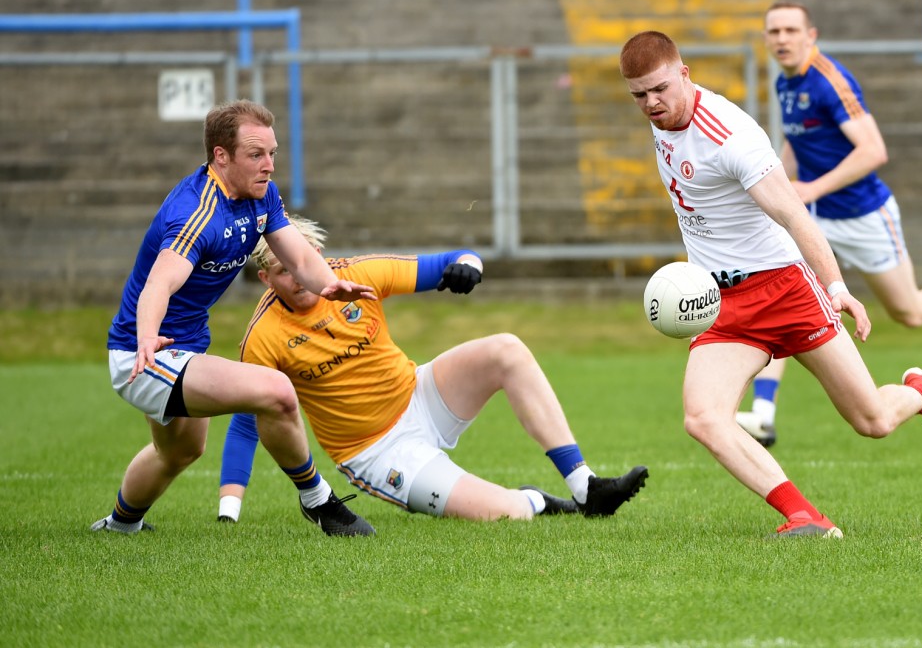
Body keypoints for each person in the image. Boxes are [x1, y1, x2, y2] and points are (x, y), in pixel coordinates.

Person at [620, 30, 922, 539]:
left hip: (784, 289)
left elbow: (793, 215)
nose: (651, 103)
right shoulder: (664, 119)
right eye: (639, 95)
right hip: (721, 304)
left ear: (684, 74)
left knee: (872, 420)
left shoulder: (730, 135)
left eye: (660, 89)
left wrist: (836, 286)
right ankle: (805, 516)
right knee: (704, 418)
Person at [215, 215, 648, 523]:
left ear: (318, 254)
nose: (297, 276)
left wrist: (468, 268)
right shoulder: (263, 335)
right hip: (378, 451)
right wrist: (228, 510)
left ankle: (586, 487)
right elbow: (248, 422)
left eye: (303, 262)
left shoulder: (359, 274)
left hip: (419, 393)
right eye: (283, 271)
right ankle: (536, 500)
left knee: (507, 349)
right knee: (509, 514)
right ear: (265, 279)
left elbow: (457, 258)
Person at [739, 0, 922, 447]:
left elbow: (873, 151)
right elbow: (795, 145)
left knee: (911, 311)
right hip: (816, 219)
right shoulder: (785, 82)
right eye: (774, 31)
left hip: (865, 214)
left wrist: (811, 189)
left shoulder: (831, 81)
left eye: (791, 30)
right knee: (787, 297)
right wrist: (777, 187)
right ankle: (763, 415)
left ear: (811, 36)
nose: (782, 39)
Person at [93, 100, 376, 537]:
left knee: (180, 452)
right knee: (276, 391)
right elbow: (158, 285)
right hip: (145, 354)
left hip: (184, 344)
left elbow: (299, 256)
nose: (269, 165)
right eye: (255, 154)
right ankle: (319, 501)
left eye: (272, 153)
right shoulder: (198, 213)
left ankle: (120, 526)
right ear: (221, 156)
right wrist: (147, 337)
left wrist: (328, 285)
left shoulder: (261, 195)